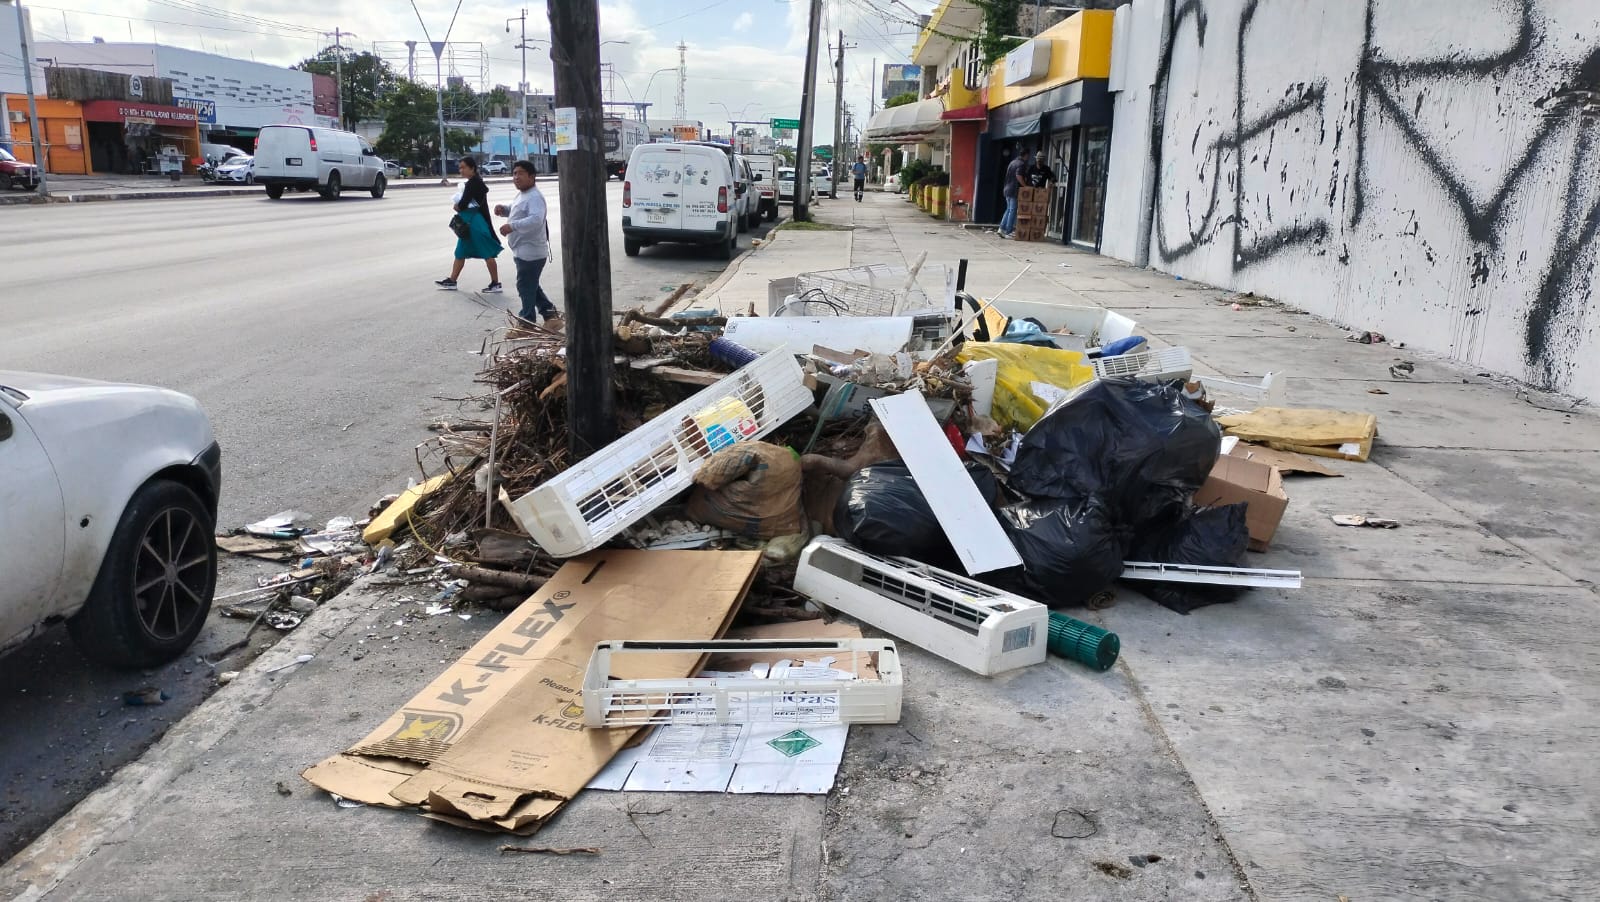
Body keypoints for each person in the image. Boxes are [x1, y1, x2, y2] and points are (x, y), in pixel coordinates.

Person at [495, 159, 562, 328]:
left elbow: (535, 219)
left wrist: (512, 226)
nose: (516, 177)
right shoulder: (524, 194)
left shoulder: (535, 196)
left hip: (531, 251)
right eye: (515, 173)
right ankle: (551, 316)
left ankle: (526, 322)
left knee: (525, 286)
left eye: (521, 173)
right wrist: (504, 209)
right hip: (524, 250)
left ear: (532, 176)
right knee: (530, 285)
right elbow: (517, 208)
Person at [435, 156, 503, 292]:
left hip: (474, 223)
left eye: (463, 167)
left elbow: (463, 204)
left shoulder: (473, 183)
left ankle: (495, 283)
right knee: (461, 252)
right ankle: (452, 280)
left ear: (472, 168)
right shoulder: (476, 182)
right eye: (460, 167)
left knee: (486, 252)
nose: (461, 170)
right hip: (472, 222)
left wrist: (457, 206)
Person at [999, 147, 1031, 239]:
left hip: (1007, 189)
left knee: (1008, 209)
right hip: (1014, 190)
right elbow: (1018, 175)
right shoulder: (1021, 164)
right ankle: (1008, 231)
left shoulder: (1012, 162)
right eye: (1028, 155)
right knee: (1012, 210)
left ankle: (1001, 229)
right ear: (1026, 155)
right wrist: (1025, 186)